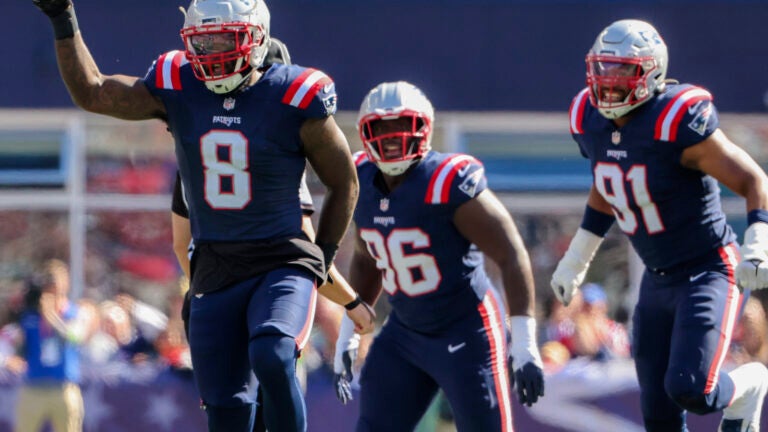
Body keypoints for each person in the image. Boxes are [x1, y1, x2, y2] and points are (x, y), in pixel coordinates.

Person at [32, 0, 365, 430]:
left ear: (257, 37)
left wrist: (321, 258)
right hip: (214, 268)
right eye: (203, 42)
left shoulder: (293, 96)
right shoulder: (181, 86)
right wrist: (63, 17)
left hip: (280, 260)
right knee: (228, 415)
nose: (214, 52)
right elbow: (93, 91)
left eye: (225, 40)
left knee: (273, 351)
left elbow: (345, 181)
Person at [551, 19, 768, 432]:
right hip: (657, 276)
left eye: (622, 71)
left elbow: (753, 180)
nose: (609, 82)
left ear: (650, 74)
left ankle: (752, 384)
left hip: (707, 269)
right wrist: (577, 258)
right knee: (658, 417)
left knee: (692, 388)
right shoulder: (589, 117)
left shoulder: (676, 120)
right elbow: (608, 184)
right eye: (603, 69)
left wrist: (758, 242)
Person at [333, 81, 545, 431]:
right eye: (381, 128)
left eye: (402, 126)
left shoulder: (445, 180)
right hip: (405, 331)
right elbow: (366, 258)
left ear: (424, 129)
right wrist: (348, 332)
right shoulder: (361, 179)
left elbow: (511, 253)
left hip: (466, 329)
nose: (391, 137)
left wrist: (523, 343)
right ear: (364, 133)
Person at [15, 259, 93, 432]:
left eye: (56, 282)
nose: (53, 287)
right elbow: (20, 349)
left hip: (63, 388)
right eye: (49, 282)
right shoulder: (31, 316)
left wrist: (51, 318)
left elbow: (74, 338)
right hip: (34, 387)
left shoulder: (75, 313)